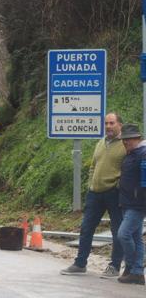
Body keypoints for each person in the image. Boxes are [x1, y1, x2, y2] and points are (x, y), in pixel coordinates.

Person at [60, 113, 125, 277]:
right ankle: (80, 263)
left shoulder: (125, 144)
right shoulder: (101, 143)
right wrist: (91, 184)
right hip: (95, 193)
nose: (108, 126)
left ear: (120, 125)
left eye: (112, 123)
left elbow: (128, 169)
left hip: (114, 193)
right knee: (86, 228)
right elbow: (93, 166)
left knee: (117, 230)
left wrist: (118, 185)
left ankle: (115, 266)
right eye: (106, 123)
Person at [116, 123, 146, 285]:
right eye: (124, 139)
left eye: (128, 139)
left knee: (123, 234)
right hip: (127, 202)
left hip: (137, 204)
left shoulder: (143, 154)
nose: (125, 142)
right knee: (135, 237)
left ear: (137, 138)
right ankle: (137, 273)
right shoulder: (131, 153)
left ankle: (133, 265)